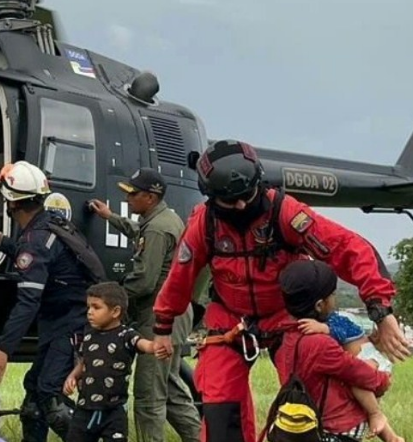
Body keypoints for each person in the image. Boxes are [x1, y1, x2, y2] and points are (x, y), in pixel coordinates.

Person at [151, 139, 410, 442]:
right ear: (211, 197)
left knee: (309, 394)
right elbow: (181, 276)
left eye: (247, 195)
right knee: (221, 406)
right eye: (230, 201)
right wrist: (163, 325)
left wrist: (381, 310)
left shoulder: (285, 213)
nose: (241, 206)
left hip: (287, 317)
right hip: (232, 319)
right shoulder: (204, 225)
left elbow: (349, 249)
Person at [0, 161, 96, 442]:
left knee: (51, 395)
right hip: (66, 321)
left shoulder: (36, 238)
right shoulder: (51, 223)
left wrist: (3, 350)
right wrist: (2, 241)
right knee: (34, 396)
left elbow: (28, 301)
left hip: (69, 325)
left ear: (11, 204)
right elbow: (41, 261)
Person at [88, 167, 201, 442]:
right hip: (174, 312)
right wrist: (110, 217)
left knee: (149, 394)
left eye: (133, 194)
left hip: (159, 316)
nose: (128, 199)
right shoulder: (163, 219)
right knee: (169, 387)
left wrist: (111, 301)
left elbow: (144, 282)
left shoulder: (159, 229)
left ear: (150, 197)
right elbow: (139, 231)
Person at [273, 259, 399, 442]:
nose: (334, 299)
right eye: (332, 295)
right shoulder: (319, 343)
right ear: (319, 305)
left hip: (305, 425)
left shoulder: (283, 340)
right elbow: (356, 371)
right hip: (337, 428)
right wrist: (382, 380)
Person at [64, 281, 156, 442]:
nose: (90, 312)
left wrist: (156, 346)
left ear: (115, 311)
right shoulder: (88, 334)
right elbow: (84, 361)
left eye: (96, 307)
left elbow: (143, 344)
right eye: (88, 307)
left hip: (114, 411)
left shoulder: (126, 335)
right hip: (85, 409)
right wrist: (72, 376)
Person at [298, 310, 403, 441]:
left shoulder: (339, 320)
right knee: (366, 404)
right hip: (369, 361)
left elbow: (338, 331)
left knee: (360, 389)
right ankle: (391, 437)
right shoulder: (351, 328)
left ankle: (376, 415)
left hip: (371, 361)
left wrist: (321, 328)